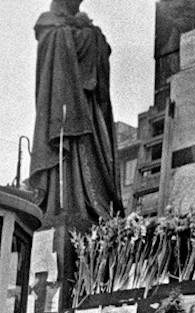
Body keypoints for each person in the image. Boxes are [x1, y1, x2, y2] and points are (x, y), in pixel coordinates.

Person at [29, 0, 122, 222]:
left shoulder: (87, 31)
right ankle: (65, 206)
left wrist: (90, 36)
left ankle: (92, 208)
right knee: (64, 153)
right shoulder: (49, 27)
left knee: (94, 156)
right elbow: (52, 69)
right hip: (62, 109)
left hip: (88, 110)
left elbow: (102, 50)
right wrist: (84, 36)